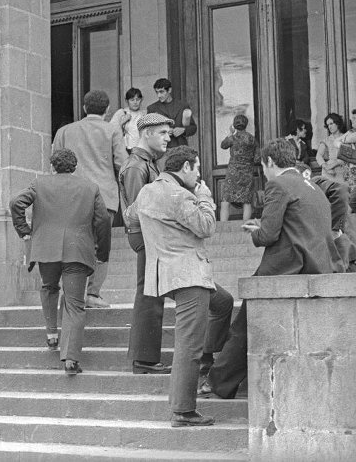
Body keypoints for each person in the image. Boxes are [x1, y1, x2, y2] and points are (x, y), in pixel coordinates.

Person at [201, 139, 341, 400]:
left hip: (288, 266)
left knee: (243, 327)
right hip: (319, 264)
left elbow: (268, 235)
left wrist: (257, 232)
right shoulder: (313, 186)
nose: (264, 172)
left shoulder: (277, 184)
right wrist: (263, 225)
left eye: (263, 166)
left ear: (269, 162)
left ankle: (217, 382)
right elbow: (300, 225)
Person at [125, 146, 216, 427]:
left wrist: (158, 240)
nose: (200, 174)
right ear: (186, 167)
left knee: (222, 304)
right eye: (197, 168)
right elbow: (206, 227)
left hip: (168, 273)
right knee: (189, 344)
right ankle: (183, 410)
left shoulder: (147, 191)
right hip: (189, 275)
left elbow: (130, 218)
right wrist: (204, 196)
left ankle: (214, 361)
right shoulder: (181, 195)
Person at [10, 149, 111, 375]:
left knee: (48, 287)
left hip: (46, 248)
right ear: (75, 167)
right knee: (75, 303)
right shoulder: (89, 187)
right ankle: (70, 360)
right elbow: (103, 220)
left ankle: (51, 333)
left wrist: (25, 231)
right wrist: (101, 252)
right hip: (77, 249)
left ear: (53, 167)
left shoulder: (39, 183)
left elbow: (16, 202)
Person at [52, 89, 126, 308]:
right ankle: (92, 293)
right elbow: (123, 164)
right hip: (104, 197)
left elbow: (54, 164)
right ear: (107, 109)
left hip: (71, 197)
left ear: (84, 108)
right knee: (99, 246)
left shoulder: (64, 131)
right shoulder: (112, 130)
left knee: (73, 244)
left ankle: (73, 291)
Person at [119, 113, 173, 374]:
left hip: (151, 235)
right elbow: (137, 210)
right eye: (162, 132)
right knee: (148, 296)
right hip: (146, 236)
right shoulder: (137, 166)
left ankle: (145, 358)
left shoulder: (146, 163)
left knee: (152, 294)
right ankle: (144, 359)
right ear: (147, 133)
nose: (168, 138)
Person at [296, 162, 356, 272]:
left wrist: (333, 229)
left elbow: (341, 190)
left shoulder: (315, 182)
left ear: (306, 173)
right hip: (340, 252)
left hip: (346, 248)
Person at [220, 114, 257, 221]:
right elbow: (258, 157)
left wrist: (230, 133)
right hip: (247, 172)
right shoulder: (251, 139)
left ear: (234, 125)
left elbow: (223, 145)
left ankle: (223, 227)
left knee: (226, 199)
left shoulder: (232, 138)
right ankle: (245, 227)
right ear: (246, 125)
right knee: (246, 200)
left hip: (233, 173)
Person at [146, 78, 197, 149]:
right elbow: (149, 132)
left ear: (169, 90)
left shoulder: (183, 105)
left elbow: (193, 128)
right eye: (157, 92)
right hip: (161, 150)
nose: (159, 95)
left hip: (181, 148)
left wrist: (183, 130)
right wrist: (163, 131)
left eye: (161, 92)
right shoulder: (152, 108)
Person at [110, 87, 146, 153]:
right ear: (127, 101)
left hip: (141, 150)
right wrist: (122, 122)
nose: (135, 102)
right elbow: (110, 131)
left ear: (141, 100)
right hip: (126, 150)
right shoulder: (121, 113)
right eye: (132, 100)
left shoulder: (144, 114)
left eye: (138, 99)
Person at [316, 113, 348, 183]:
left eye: (331, 124)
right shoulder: (326, 140)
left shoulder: (346, 138)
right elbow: (318, 156)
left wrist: (331, 166)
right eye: (328, 125)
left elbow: (345, 157)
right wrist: (325, 166)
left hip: (342, 170)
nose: (329, 127)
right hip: (329, 172)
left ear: (337, 123)